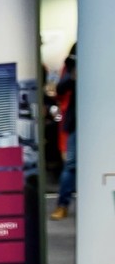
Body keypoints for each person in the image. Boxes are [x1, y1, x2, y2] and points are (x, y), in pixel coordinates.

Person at [52, 44, 76, 220]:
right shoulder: (72, 62)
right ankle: (63, 205)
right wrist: (74, 75)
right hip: (76, 122)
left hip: (103, 121)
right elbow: (60, 88)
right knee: (71, 164)